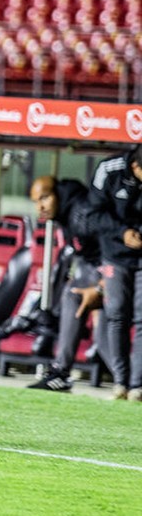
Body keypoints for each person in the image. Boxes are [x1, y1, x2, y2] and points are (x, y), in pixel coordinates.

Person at [25, 175, 110, 392]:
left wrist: (101, 286)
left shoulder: (81, 214)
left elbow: (114, 250)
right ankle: (61, 372)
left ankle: (129, 383)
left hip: (119, 274)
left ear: (57, 195)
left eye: (44, 198)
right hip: (100, 272)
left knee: (101, 332)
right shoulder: (68, 215)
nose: (40, 207)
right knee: (72, 295)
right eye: (36, 201)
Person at [86, 145, 142, 400]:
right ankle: (120, 382)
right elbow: (93, 215)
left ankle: (138, 386)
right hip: (115, 255)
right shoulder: (108, 170)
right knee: (117, 314)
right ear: (135, 167)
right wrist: (122, 233)